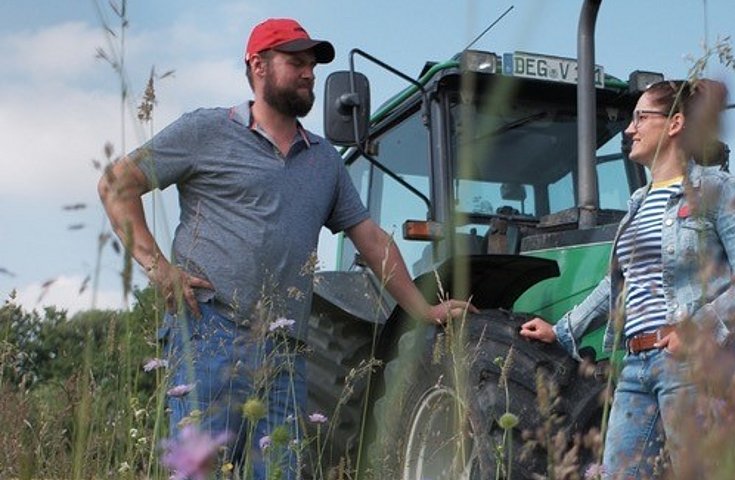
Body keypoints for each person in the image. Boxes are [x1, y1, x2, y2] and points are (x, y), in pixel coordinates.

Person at [98, 17, 474, 479]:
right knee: (201, 471)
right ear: (257, 65)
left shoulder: (324, 161)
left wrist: (423, 310)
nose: (309, 73)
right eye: (296, 62)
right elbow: (117, 186)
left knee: (277, 472)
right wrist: (158, 269)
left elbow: (372, 239)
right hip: (210, 331)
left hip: (285, 350)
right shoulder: (206, 131)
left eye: (312, 65)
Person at [519, 79, 735, 478]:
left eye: (640, 117)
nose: (629, 129)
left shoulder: (717, 189)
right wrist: (564, 330)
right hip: (635, 365)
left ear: (674, 125)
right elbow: (618, 285)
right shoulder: (636, 205)